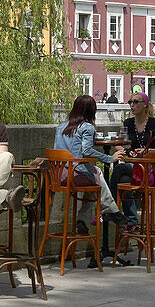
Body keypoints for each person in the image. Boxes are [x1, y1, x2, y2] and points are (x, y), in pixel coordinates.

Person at [53, 95, 130, 234]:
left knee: (92, 182)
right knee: (96, 173)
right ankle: (111, 210)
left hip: (58, 175)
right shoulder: (86, 127)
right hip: (74, 174)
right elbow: (87, 150)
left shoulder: (61, 126)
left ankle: (83, 220)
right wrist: (109, 158)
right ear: (91, 111)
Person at [111, 92, 155, 224]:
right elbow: (117, 146)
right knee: (124, 179)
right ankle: (132, 221)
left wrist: (147, 151)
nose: (132, 105)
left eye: (136, 102)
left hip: (150, 170)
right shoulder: (127, 123)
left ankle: (112, 209)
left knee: (119, 168)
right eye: (130, 102)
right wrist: (128, 151)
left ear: (145, 105)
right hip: (135, 168)